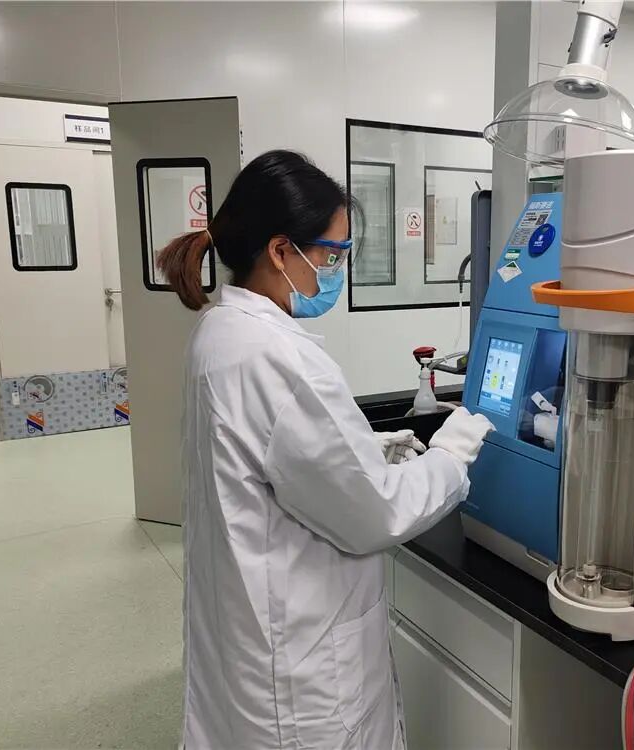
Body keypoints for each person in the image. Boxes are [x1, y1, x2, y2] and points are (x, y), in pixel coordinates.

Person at [157, 150, 493, 750]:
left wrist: (362, 447)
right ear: (280, 251)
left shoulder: (221, 331)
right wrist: (452, 453)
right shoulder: (281, 360)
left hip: (246, 635)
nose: (336, 269)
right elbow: (376, 515)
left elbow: (266, 456)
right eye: (332, 254)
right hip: (299, 670)